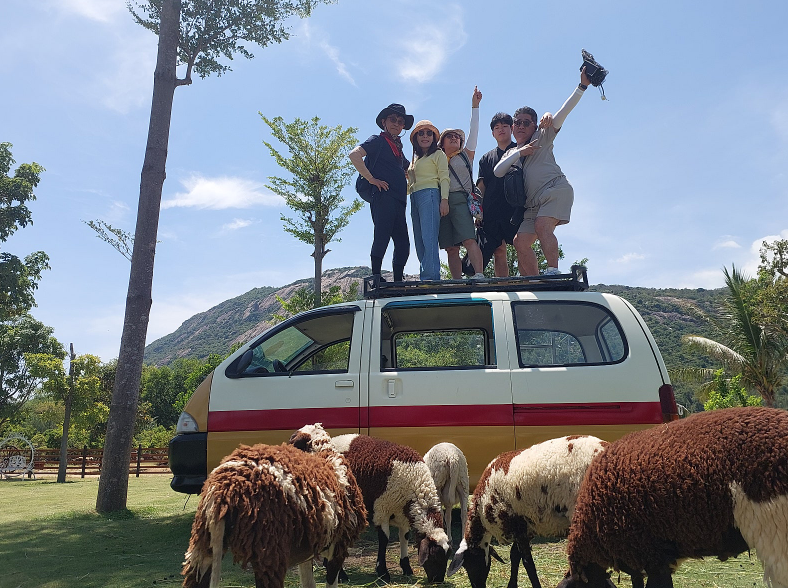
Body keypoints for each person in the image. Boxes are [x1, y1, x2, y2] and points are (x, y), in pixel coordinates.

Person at [494, 68, 593, 276]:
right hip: (532, 204)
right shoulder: (512, 152)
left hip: (554, 190)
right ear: (513, 127)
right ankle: (534, 281)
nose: (521, 126)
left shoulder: (542, 136)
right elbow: (498, 171)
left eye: (526, 122)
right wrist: (520, 153)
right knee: (520, 242)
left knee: (542, 225)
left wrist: (581, 86)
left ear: (535, 125)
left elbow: (563, 113)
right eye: (517, 122)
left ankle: (553, 271)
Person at [349, 104, 413, 282]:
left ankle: (398, 281)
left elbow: (410, 168)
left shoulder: (398, 149)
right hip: (383, 197)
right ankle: (376, 276)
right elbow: (354, 154)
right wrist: (371, 179)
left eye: (400, 122)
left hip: (399, 200)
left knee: (403, 244)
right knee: (382, 236)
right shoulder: (377, 140)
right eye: (393, 119)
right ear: (384, 122)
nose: (397, 124)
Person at [438, 87, 485, 279]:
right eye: (450, 136)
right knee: (450, 247)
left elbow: (474, 130)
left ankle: (479, 274)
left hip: (460, 200)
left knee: (469, 239)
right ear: (442, 142)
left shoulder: (466, 155)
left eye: (457, 136)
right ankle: (456, 281)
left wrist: (475, 106)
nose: (455, 138)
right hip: (442, 201)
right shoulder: (436, 158)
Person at [475, 112, 518, 277]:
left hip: (516, 208)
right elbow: (481, 186)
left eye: (505, 126)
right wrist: (477, 213)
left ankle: (529, 284)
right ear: (492, 133)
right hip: (492, 210)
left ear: (511, 128)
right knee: (498, 250)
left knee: (521, 245)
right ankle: (503, 288)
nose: (501, 130)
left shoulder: (521, 150)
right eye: (497, 127)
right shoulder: (486, 158)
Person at [407, 120, 449, 281]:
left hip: (430, 194)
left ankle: (431, 277)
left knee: (429, 237)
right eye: (421, 133)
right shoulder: (415, 158)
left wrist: (444, 200)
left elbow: (444, 177)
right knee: (419, 239)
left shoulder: (438, 154)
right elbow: (410, 183)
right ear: (416, 137)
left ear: (433, 137)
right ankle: (426, 274)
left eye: (429, 133)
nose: (425, 136)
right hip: (414, 196)